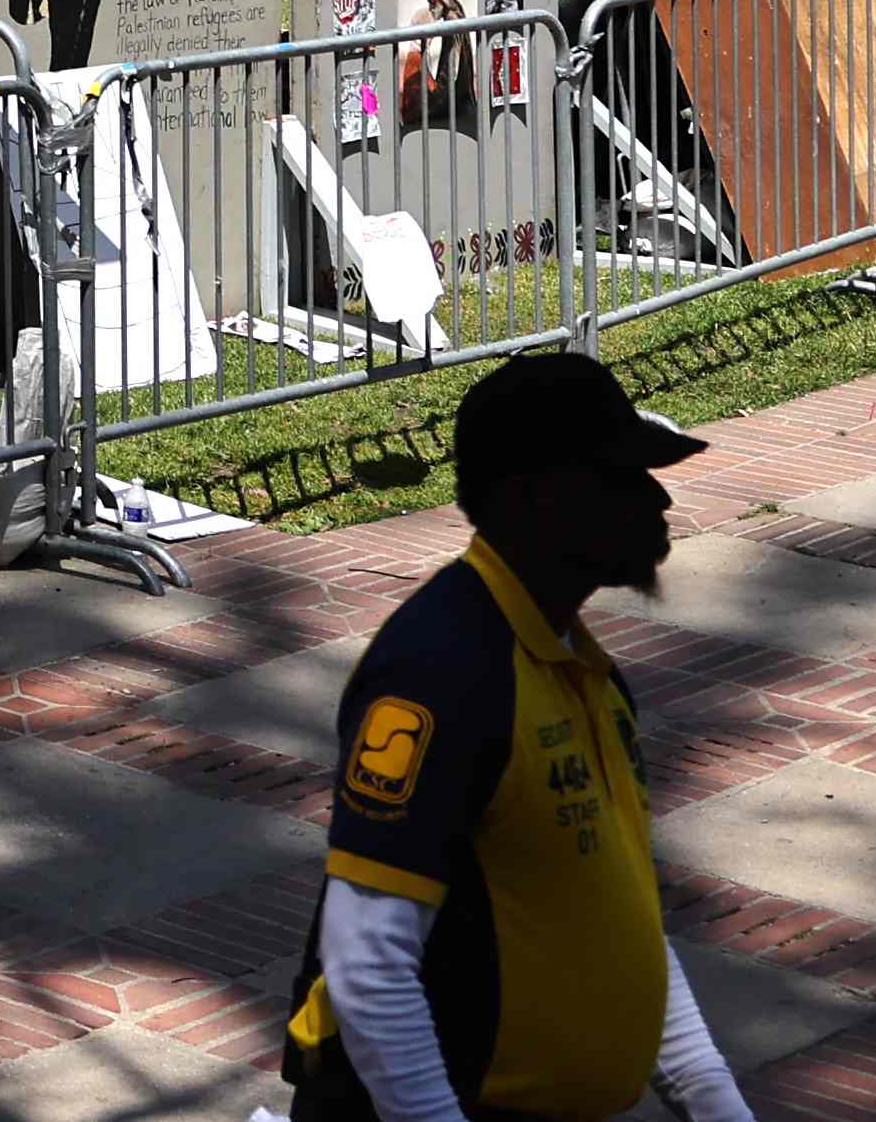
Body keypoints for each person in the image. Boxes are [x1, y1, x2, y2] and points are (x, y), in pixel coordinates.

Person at [281, 351, 751, 1122]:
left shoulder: (580, 670)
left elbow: (613, 915)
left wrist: (712, 1100)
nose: (658, 497)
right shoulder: (439, 674)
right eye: (622, 477)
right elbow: (368, 966)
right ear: (538, 499)